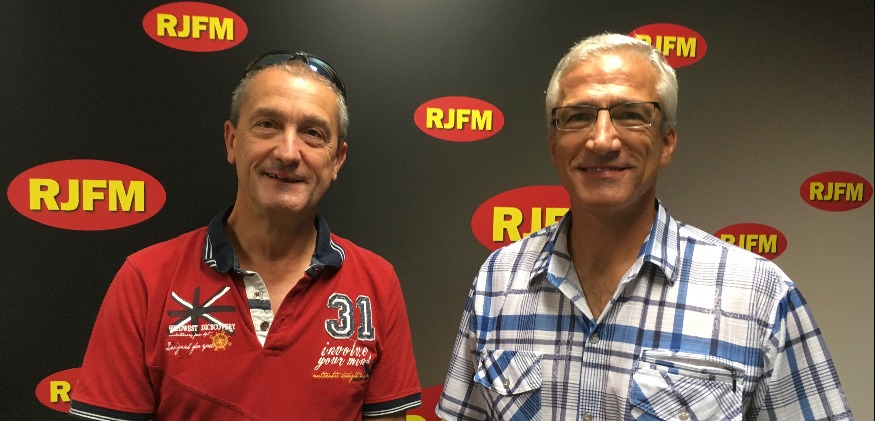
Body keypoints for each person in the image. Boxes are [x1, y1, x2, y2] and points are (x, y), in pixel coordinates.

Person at [436, 33, 853, 420]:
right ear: (553, 145)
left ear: (667, 142)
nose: (602, 140)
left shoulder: (758, 295)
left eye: (630, 115)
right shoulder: (499, 279)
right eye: (578, 116)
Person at [70, 50, 421, 420]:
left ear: (337, 160)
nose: (288, 152)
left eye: (313, 133)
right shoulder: (145, 281)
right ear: (232, 141)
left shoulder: (377, 284)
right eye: (267, 124)